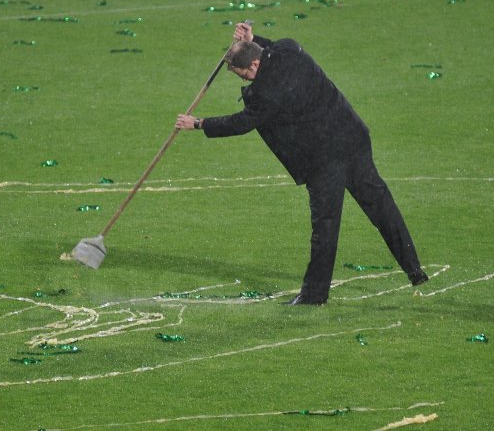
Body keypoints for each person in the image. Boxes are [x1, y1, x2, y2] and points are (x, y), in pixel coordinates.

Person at [175, 22, 428, 305]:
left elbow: (241, 123)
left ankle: (314, 295)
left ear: (255, 64)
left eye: (243, 73)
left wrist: (198, 124)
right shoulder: (289, 48)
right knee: (381, 205)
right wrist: (251, 38)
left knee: (326, 226)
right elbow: (268, 50)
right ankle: (414, 269)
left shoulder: (266, 94)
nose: (244, 80)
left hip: (323, 159)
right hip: (352, 136)